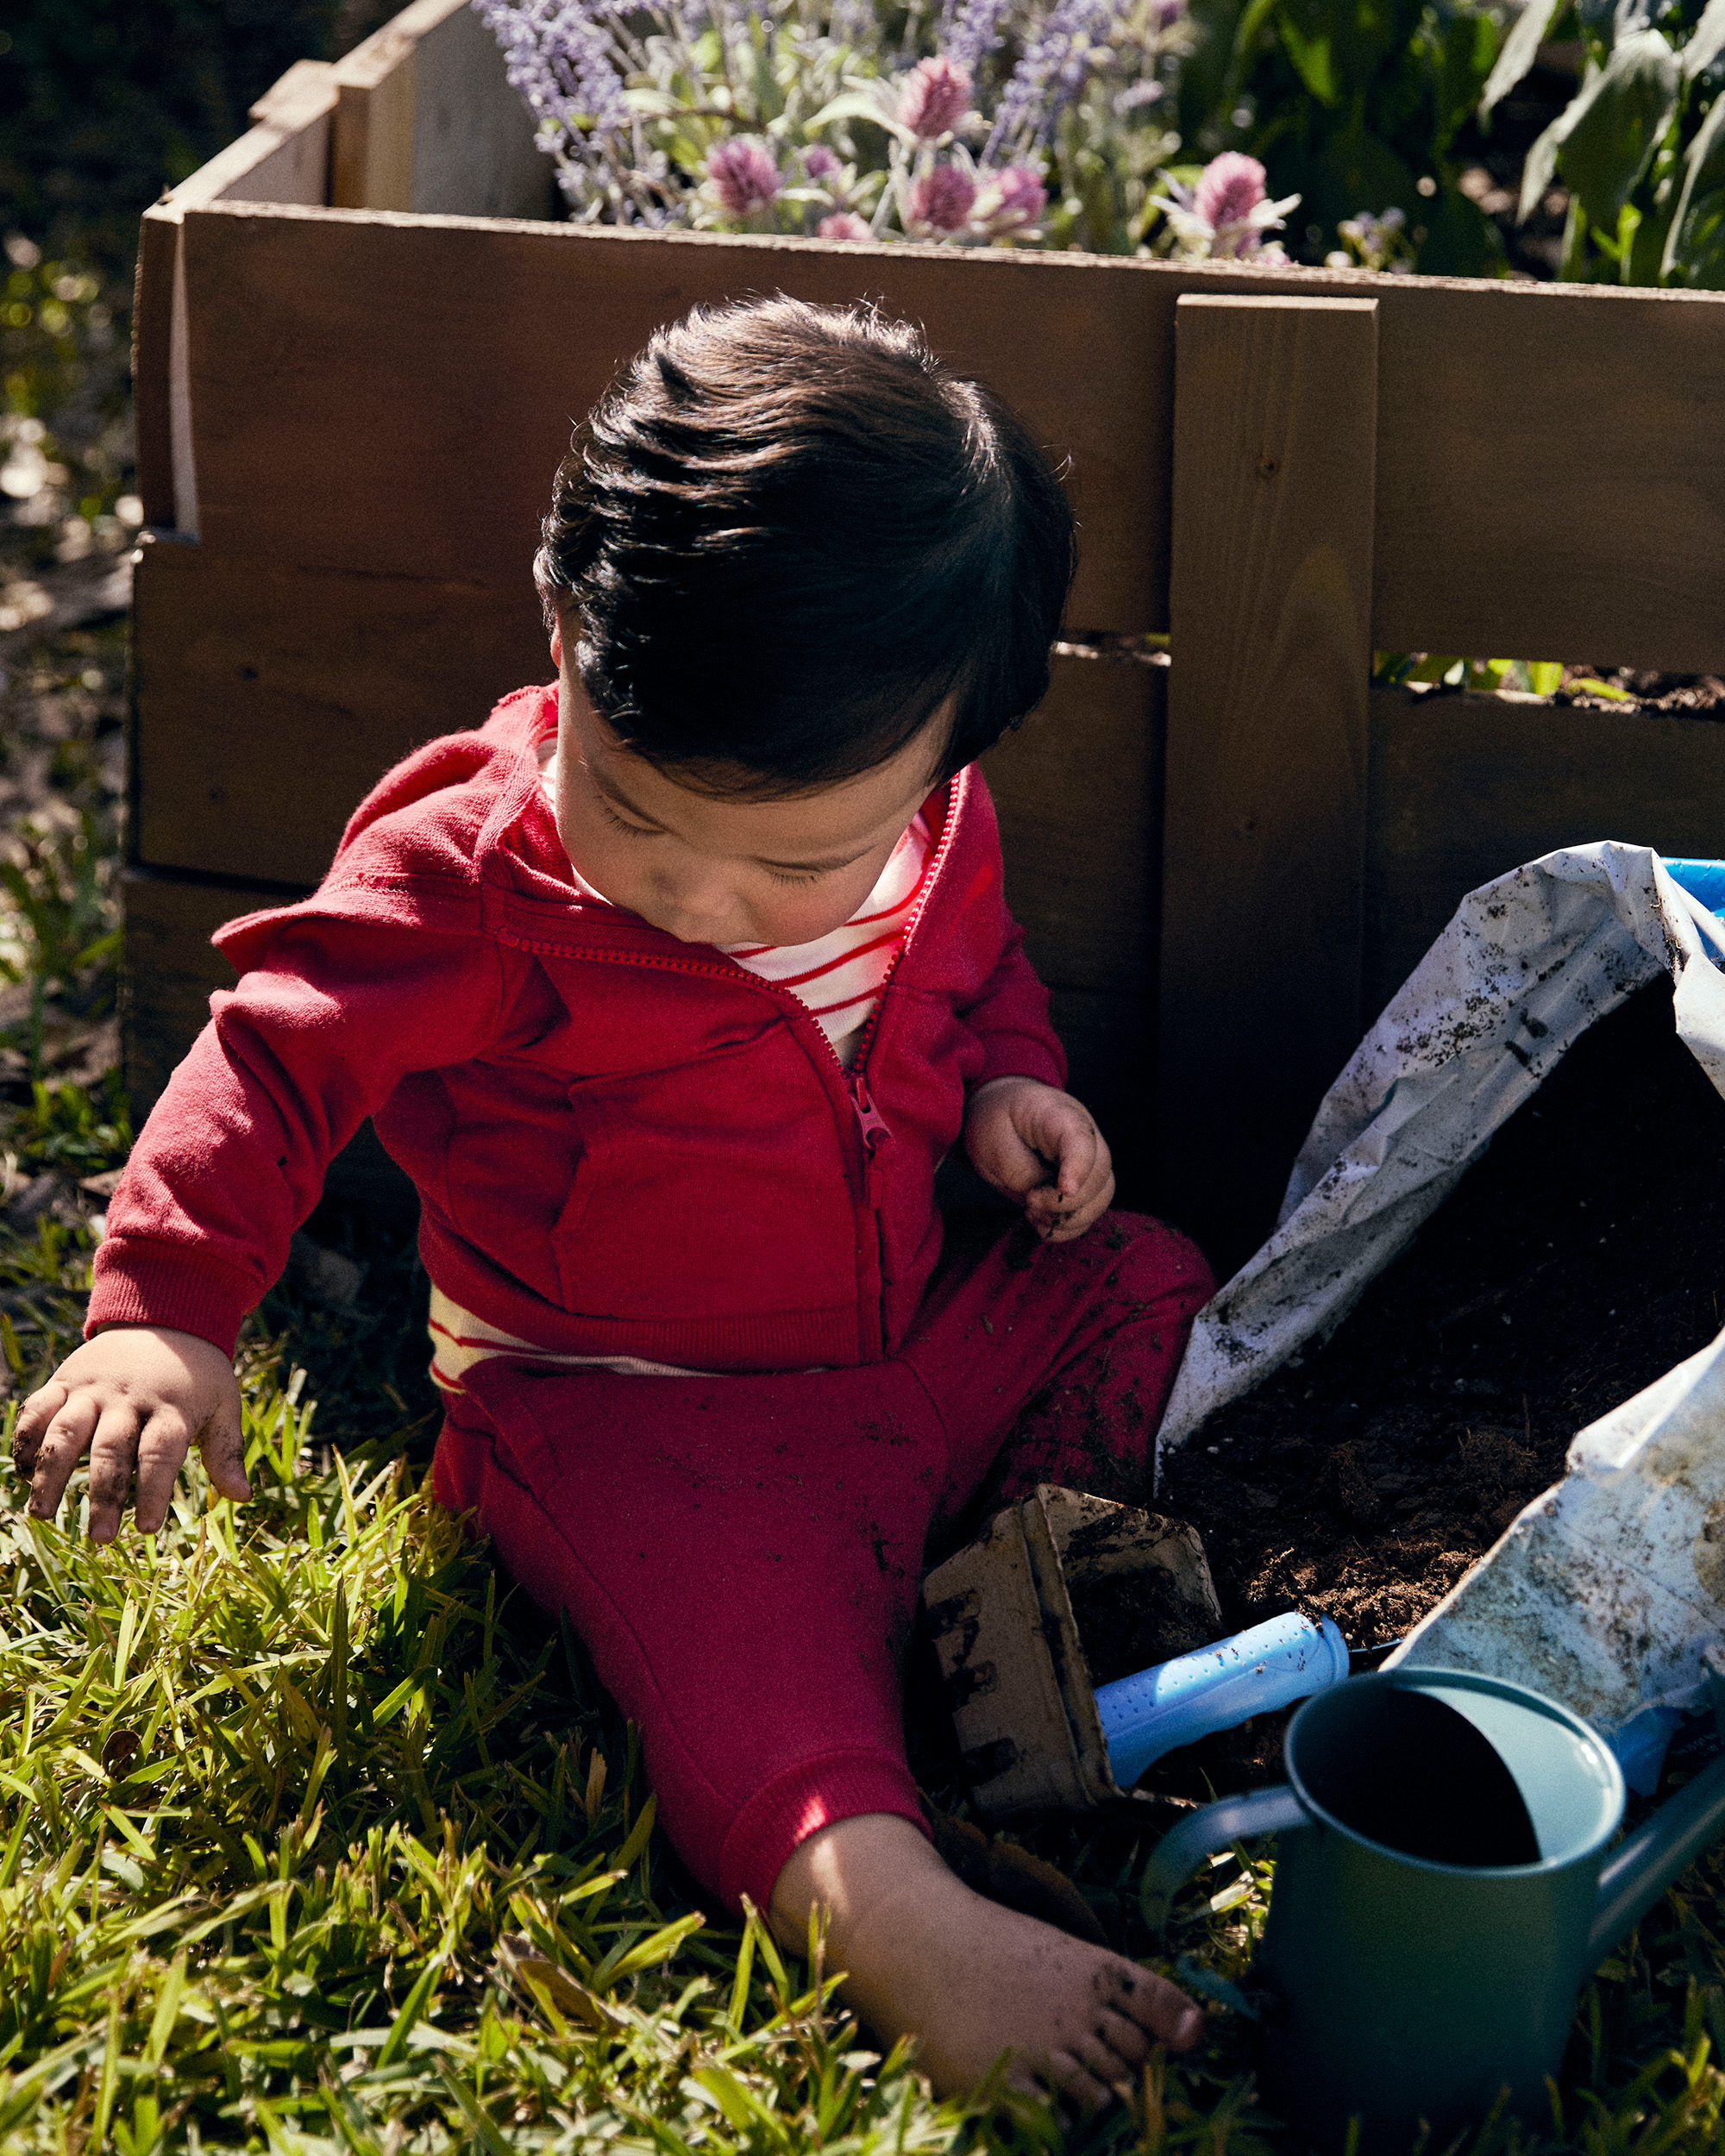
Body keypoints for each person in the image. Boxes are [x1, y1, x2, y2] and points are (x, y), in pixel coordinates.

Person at [14, 297, 1214, 2104]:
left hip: (914, 1335)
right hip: (635, 1416)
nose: (705, 902)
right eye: (640, 819)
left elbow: (971, 976)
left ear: (951, 749)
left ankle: (1026, 1568)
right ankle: (892, 1911)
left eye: (793, 861)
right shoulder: (471, 884)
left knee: (1142, 1277)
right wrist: (166, 1314)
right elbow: (272, 1059)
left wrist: (1007, 1090)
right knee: (740, 1659)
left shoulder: (930, 825)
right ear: (564, 627)